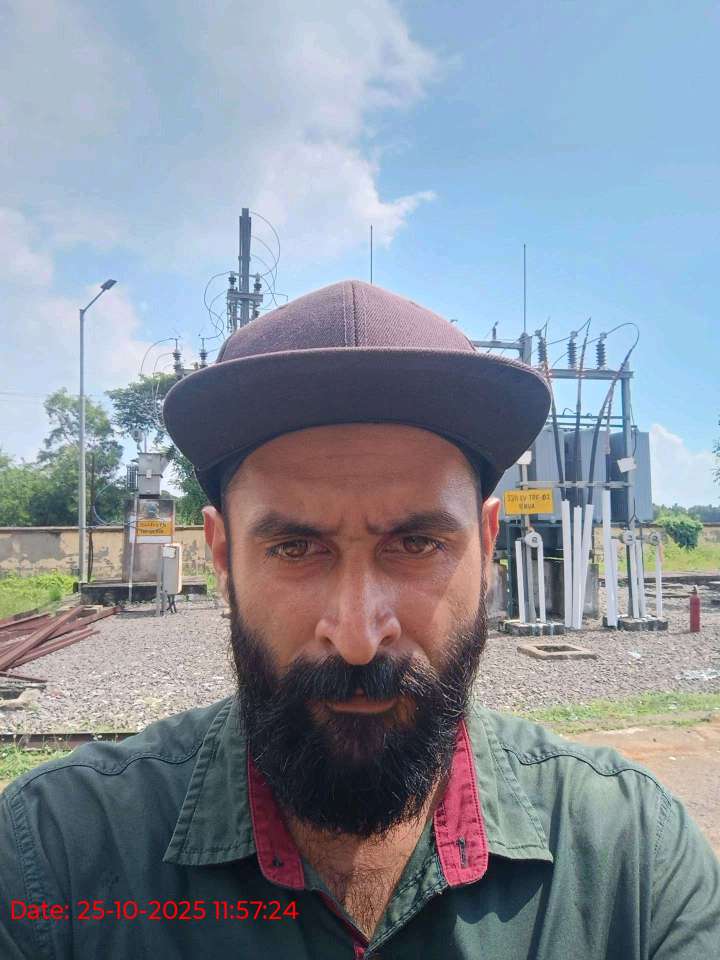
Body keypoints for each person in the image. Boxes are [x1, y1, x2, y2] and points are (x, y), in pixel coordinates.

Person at [1, 280, 718, 958]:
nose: (356, 636)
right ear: (222, 557)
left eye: (417, 544)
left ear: (486, 545)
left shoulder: (634, 860)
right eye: (295, 548)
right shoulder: (55, 860)